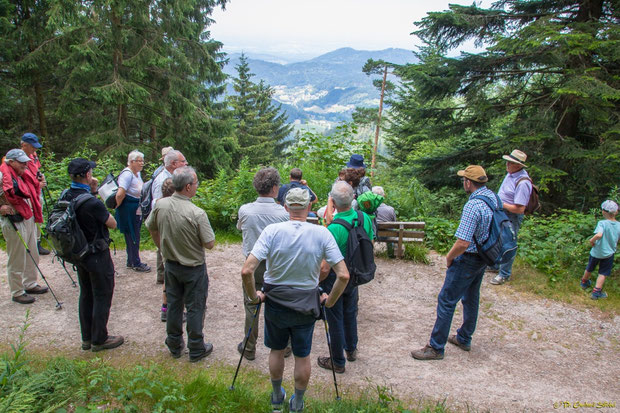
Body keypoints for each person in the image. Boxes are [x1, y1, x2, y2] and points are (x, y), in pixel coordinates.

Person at [241, 188, 349, 412]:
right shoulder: (322, 233)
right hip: (307, 303)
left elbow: (247, 270)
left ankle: (276, 397)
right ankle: (298, 402)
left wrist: (254, 297)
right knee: (302, 355)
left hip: (275, 301)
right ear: (309, 207)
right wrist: (329, 302)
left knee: (276, 350)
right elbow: (343, 275)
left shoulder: (272, 231)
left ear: (285, 207)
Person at [411, 165, 494, 360]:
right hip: (484, 256)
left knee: (447, 300)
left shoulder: (473, 206)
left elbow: (463, 242)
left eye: (464, 180)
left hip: (468, 259)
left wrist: (449, 258)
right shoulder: (492, 198)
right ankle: (464, 337)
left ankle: (436, 347)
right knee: (471, 297)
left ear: (468, 182)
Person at [146, 166, 216, 362]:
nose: (197, 186)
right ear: (187, 187)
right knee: (195, 307)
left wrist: (161, 247)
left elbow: (151, 227)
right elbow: (209, 244)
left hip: (171, 265)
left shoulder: (160, 205)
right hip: (193, 268)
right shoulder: (197, 213)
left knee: (174, 305)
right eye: (195, 183)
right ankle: (196, 348)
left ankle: (174, 344)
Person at [64, 158, 124, 351]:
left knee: (86, 293)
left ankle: (87, 338)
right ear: (87, 175)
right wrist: (96, 194)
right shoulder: (91, 202)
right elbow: (112, 223)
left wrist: (93, 190)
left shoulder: (66, 195)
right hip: (96, 253)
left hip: (78, 253)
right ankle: (100, 339)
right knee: (102, 294)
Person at [317, 181, 374, 374]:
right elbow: (370, 242)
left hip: (336, 277)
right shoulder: (364, 217)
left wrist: (317, 281)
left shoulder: (333, 229)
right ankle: (351, 349)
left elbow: (325, 266)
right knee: (351, 313)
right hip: (356, 274)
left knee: (335, 316)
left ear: (332, 201)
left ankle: (337, 360)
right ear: (353, 199)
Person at [236, 167, 289, 360]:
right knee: (282, 304)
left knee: (251, 304)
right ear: (275, 188)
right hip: (277, 265)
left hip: (253, 264)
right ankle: (286, 346)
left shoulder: (245, 210)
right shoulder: (283, 214)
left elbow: (240, 228)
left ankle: (249, 348)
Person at [0, 149, 48, 304]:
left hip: (27, 216)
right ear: (11, 162)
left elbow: (31, 191)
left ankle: (30, 283)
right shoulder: (2, 176)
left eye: (25, 161)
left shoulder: (22, 175)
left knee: (32, 252)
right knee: (17, 257)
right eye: (21, 162)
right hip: (13, 220)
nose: (25, 164)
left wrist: (39, 184)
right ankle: (17, 291)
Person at [490, 149, 532, 285]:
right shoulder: (511, 174)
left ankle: (504, 274)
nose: (507, 164)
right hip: (501, 213)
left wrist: (501, 204)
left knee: (508, 243)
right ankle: (496, 265)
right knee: (497, 239)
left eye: (511, 163)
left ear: (519, 165)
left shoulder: (523, 182)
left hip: (511, 216)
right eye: (508, 161)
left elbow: (520, 209)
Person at [151, 149, 187, 285]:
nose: (186, 163)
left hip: (170, 218)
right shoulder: (161, 180)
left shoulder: (173, 176)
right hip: (165, 219)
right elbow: (156, 202)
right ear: (173, 163)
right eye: (183, 161)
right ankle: (165, 277)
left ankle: (163, 276)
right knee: (164, 246)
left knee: (165, 245)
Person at [115, 150, 150, 272]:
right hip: (128, 209)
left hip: (135, 207)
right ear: (131, 162)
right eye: (139, 161)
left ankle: (131, 260)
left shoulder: (136, 173)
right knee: (133, 234)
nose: (142, 163)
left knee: (132, 234)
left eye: (142, 161)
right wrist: (117, 207)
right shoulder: (127, 174)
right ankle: (135, 262)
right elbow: (120, 194)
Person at [580, 200, 620, 300]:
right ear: (616, 212)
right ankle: (596, 292)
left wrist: (591, 240)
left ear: (603, 211)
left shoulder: (602, 223)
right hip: (609, 253)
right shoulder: (619, 225)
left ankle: (584, 282)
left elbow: (599, 235)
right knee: (603, 273)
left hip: (596, 251)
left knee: (590, 267)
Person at [20, 133, 49, 255]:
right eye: (33, 147)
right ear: (24, 145)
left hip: (37, 194)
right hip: (27, 196)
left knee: (38, 217)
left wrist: (41, 178)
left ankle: (37, 243)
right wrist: (38, 184)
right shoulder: (17, 159)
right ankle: (29, 244)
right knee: (30, 219)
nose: (35, 149)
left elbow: (36, 171)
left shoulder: (33, 157)